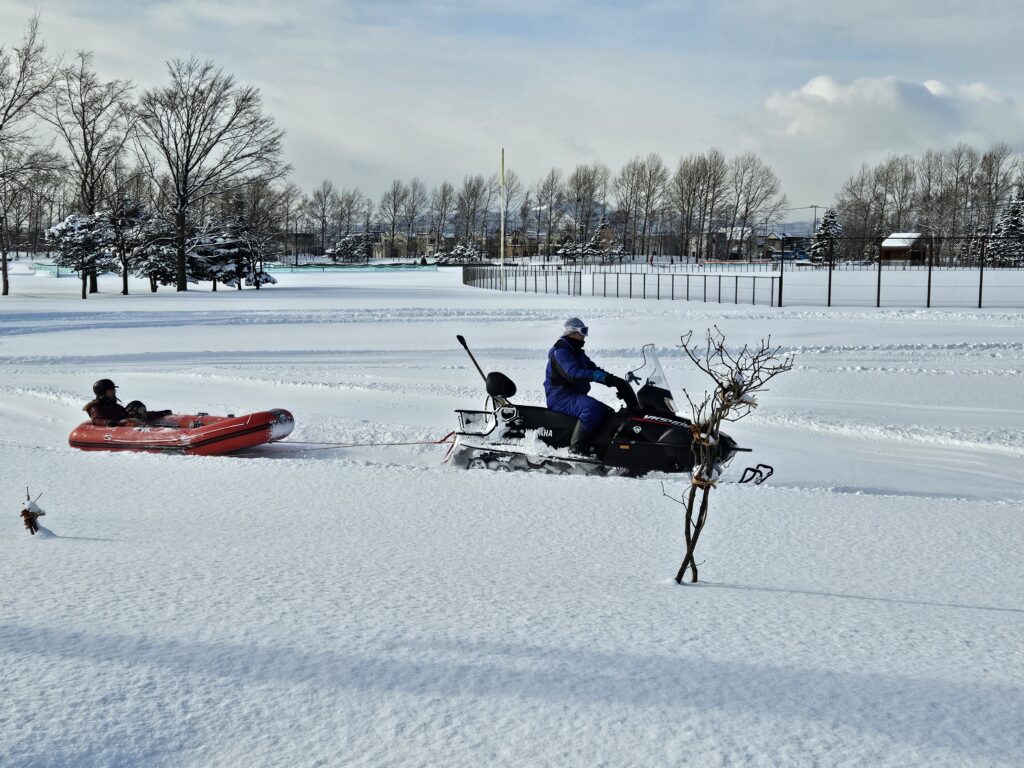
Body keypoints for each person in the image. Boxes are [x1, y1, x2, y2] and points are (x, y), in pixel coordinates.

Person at [544, 317, 627, 455]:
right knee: (592, 408)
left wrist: (614, 380)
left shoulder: (576, 352)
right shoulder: (560, 352)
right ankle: (576, 449)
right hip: (560, 397)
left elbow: (593, 369)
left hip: (572, 396)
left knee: (608, 412)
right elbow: (573, 374)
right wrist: (598, 376)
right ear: (572, 332)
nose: (585, 335)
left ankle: (600, 449)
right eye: (583, 331)